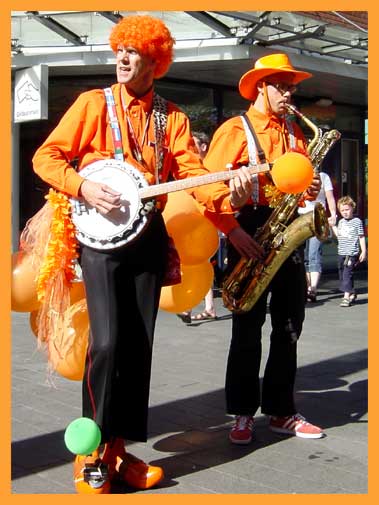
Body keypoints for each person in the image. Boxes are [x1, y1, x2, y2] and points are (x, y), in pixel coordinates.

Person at [31, 15, 256, 493]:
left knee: (138, 349)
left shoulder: (171, 118)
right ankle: (89, 449)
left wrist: (230, 208)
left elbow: (195, 178)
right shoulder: (93, 104)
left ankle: (119, 452)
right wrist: (84, 186)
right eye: (120, 50)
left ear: (155, 62)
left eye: (134, 52)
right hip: (99, 240)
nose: (123, 57)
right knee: (108, 342)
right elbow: (46, 157)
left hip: (148, 238)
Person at [203, 53, 324, 444]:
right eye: (283, 86)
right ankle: (241, 413)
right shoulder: (233, 131)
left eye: (292, 87)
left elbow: (301, 185)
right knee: (246, 329)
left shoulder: (295, 133)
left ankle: (281, 410)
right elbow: (207, 191)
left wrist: (312, 189)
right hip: (250, 230)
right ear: (261, 87)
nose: (290, 93)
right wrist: (233, 231)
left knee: (289, 327)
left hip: (286, 228)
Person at [177, 131, 217, 323]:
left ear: (203, 147)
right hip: (192, 221)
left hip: (205, 221)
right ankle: (207, 307)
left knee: (199, 262)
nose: (190, 149)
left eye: (194, 145)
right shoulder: (187, 168)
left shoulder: (209, 167)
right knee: (198, 262)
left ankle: (189, 306)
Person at [298, 171, 337, 302]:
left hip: (317, 218)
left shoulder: (324, 176)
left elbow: (330, 197)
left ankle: (312, 289)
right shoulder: (299, 174)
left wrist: (333, 215)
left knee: (314, 254)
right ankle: (306, 286)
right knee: (302, 255)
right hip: (300, 218)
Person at [332, 196, 367, 307]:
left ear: (352, 208)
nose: (345, 212)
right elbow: (339, 236)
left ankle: (346, 297)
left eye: (347, 209)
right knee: (342, 274)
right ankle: (351, 292)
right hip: (341, 252)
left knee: (347, 273)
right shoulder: (341, 222)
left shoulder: (357, 221)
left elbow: (361, 237)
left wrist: (364, 251)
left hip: (351, 253)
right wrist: (333, 226)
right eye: (342, 210)